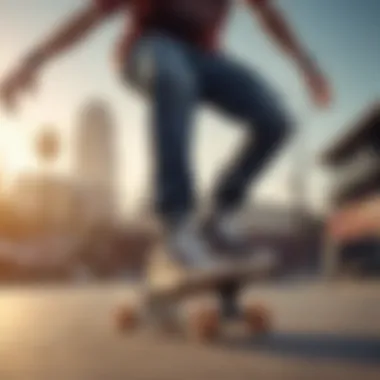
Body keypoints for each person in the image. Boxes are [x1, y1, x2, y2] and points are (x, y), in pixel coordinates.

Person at [0, 0, 331, 272]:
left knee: (275, 119)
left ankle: (220, 215)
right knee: (173, 73)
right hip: (144, 52)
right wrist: (33, 61)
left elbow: (269, 16)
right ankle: (177, 224)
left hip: (205, 61)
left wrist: (308, 65)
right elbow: (89, 17)